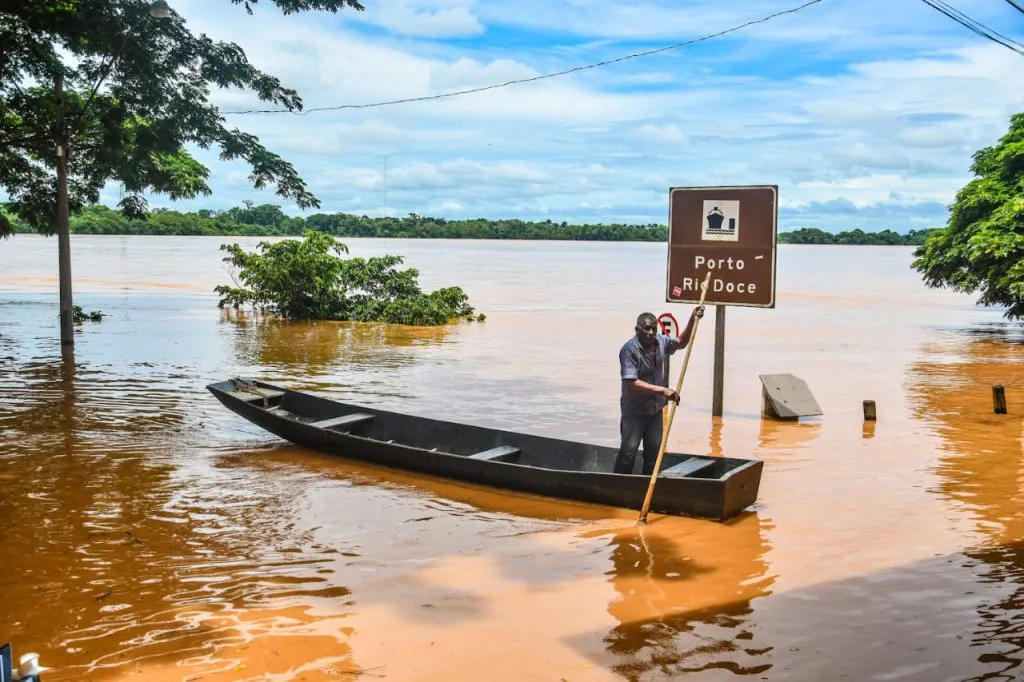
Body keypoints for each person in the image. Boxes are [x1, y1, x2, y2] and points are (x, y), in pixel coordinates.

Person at [613, 307, 704, 475]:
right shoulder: (629, 350)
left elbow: (682, 342)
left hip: (655, 412)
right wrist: (662, 391)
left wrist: (692, 319)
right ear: (637, 330)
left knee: (653, 455)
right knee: (628, 453)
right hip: (635, 412)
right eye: (646, 328)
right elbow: (631, 382)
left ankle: (647, 486)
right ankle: (617, 487)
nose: (651, 332)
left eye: (654, 328)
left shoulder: (661, 341)